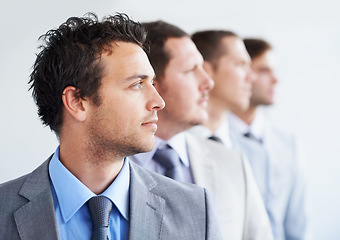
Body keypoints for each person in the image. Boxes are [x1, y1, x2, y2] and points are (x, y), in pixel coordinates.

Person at [0, 13, 222, 240]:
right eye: (137, 84)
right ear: (77, 102)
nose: (158, 102)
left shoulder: (195, 211)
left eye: (152, 83)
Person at [130, 21, 273, 240]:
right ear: (152, 83)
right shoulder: (111, 168)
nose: (208, 82)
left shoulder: (233, 164)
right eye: (190, 71)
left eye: (204, 69)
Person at [228, 38, 311, 240]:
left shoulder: (289, 145)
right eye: (264, 70)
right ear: (244, 73)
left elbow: (298, 224)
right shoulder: (213, 141)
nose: (276, 80)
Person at [189, 30, 256, 147]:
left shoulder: (255, 154)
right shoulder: (168, 150)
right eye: (240, 64)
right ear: (206, 70)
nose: (252, 77)